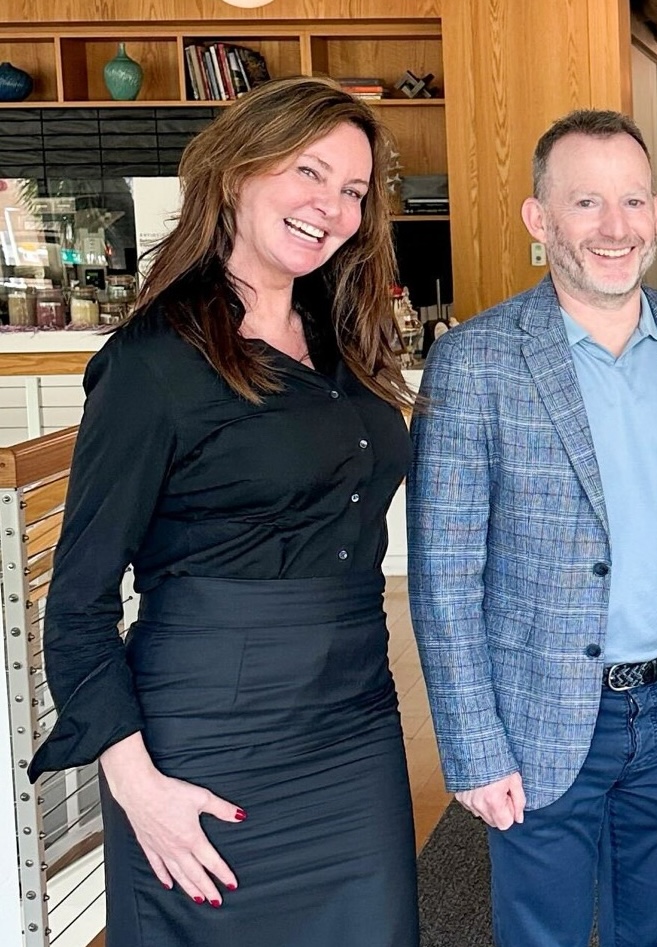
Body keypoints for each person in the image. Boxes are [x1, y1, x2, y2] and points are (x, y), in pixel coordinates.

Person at [30, 77, 417, 945]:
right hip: (208, 733)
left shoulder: (344, 343)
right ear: (238, 170)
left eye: (353, 190)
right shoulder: (153, 363)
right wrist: (136, 786)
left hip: (355, 719)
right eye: (308, 172)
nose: (332, 207)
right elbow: (78, 603)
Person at [406, 109, 657, 947]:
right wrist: (473, 745)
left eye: (632, 201)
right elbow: (443, 575)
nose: (615, 227)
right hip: (538, 711)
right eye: (586, 203)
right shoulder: (476, 361)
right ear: (539, 219)